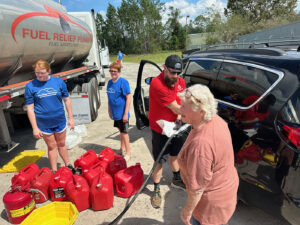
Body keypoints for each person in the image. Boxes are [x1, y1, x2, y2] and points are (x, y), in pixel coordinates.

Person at [178, 84, 239, 225]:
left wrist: (187, 211)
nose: (179, 109)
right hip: (227, 190)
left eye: (183, 107)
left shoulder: (200, 146)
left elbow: (197, 190)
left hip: (210, 205)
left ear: (201, 112)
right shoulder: (217, 120)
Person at [148, 54, 186, 209]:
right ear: (164, 68)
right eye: (172, 72)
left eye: (178, 73)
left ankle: (176, 179)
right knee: (159, 161)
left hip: (176, 126)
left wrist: (180, 116)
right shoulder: (157, 84)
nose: (175, 76)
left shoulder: (181, 81)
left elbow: (182, 99)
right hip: (160, 128)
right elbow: (176, 107)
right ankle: (156, 188)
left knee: (175, 155)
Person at [25, 59, 75, 173]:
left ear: (49, 71)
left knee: (61, 144)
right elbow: (30, 108)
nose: (39, 76)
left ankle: (68, 164)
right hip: (44, 123)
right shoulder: (30, 86)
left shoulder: (58, 82)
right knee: (52, 147)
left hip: (59, 120)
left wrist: (71, 118)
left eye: (42, 73)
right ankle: (54, 170)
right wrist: (35, 128)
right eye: (37, 73)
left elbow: (67, 100)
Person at [107, 62, 131, 161]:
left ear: (119, 72)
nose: (113, 73)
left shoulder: (123, 82)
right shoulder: (109, 82)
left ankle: (128, 153)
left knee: (124, 132)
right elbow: (109, 98)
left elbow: (128, 98)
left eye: (115, 71)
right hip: (115, 112)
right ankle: (122, 148)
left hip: (122, 113)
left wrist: (125, 114)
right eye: (111, 71)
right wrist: (109, 110)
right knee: (120, 131)